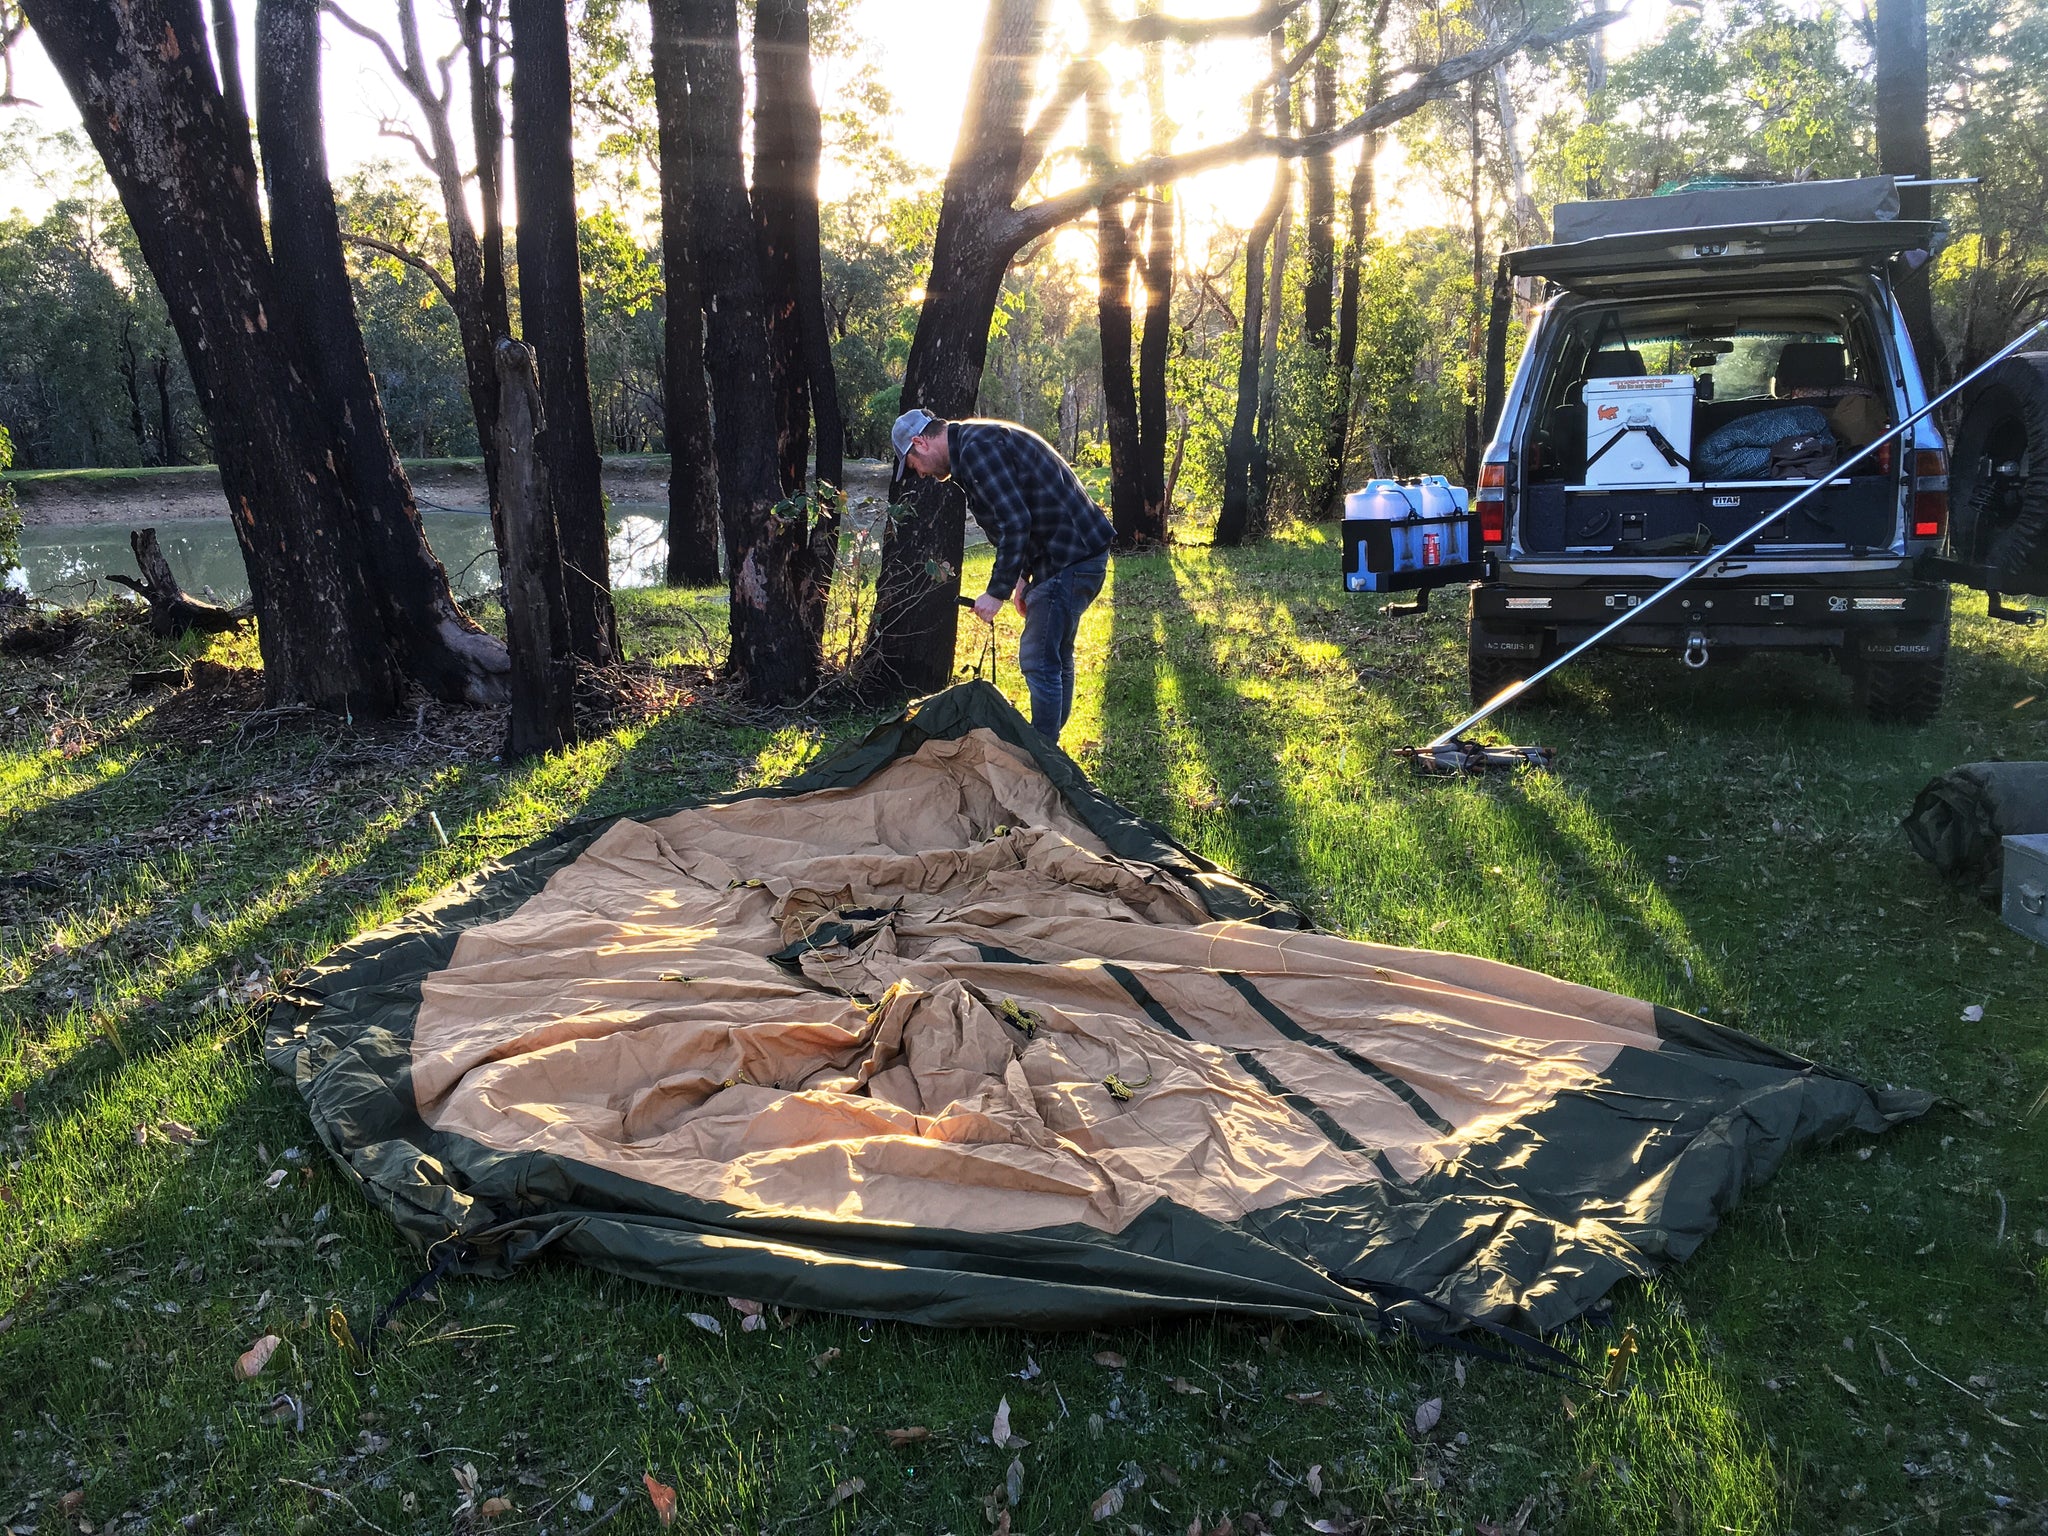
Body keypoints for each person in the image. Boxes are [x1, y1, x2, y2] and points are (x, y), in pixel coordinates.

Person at [893, 408, 1114, 745]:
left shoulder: (976, 448)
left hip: (1069, 557)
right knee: (1054, 655)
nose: (920, 475)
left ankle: (1041, 756)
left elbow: (1015, 522)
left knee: (1038, 660)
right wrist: (1022, 578)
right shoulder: (973, 443)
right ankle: (1048, 747)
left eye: (913, 466)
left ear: (919, 442)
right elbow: (1021, 508)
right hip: (1079, 552)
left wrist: (996, 592)